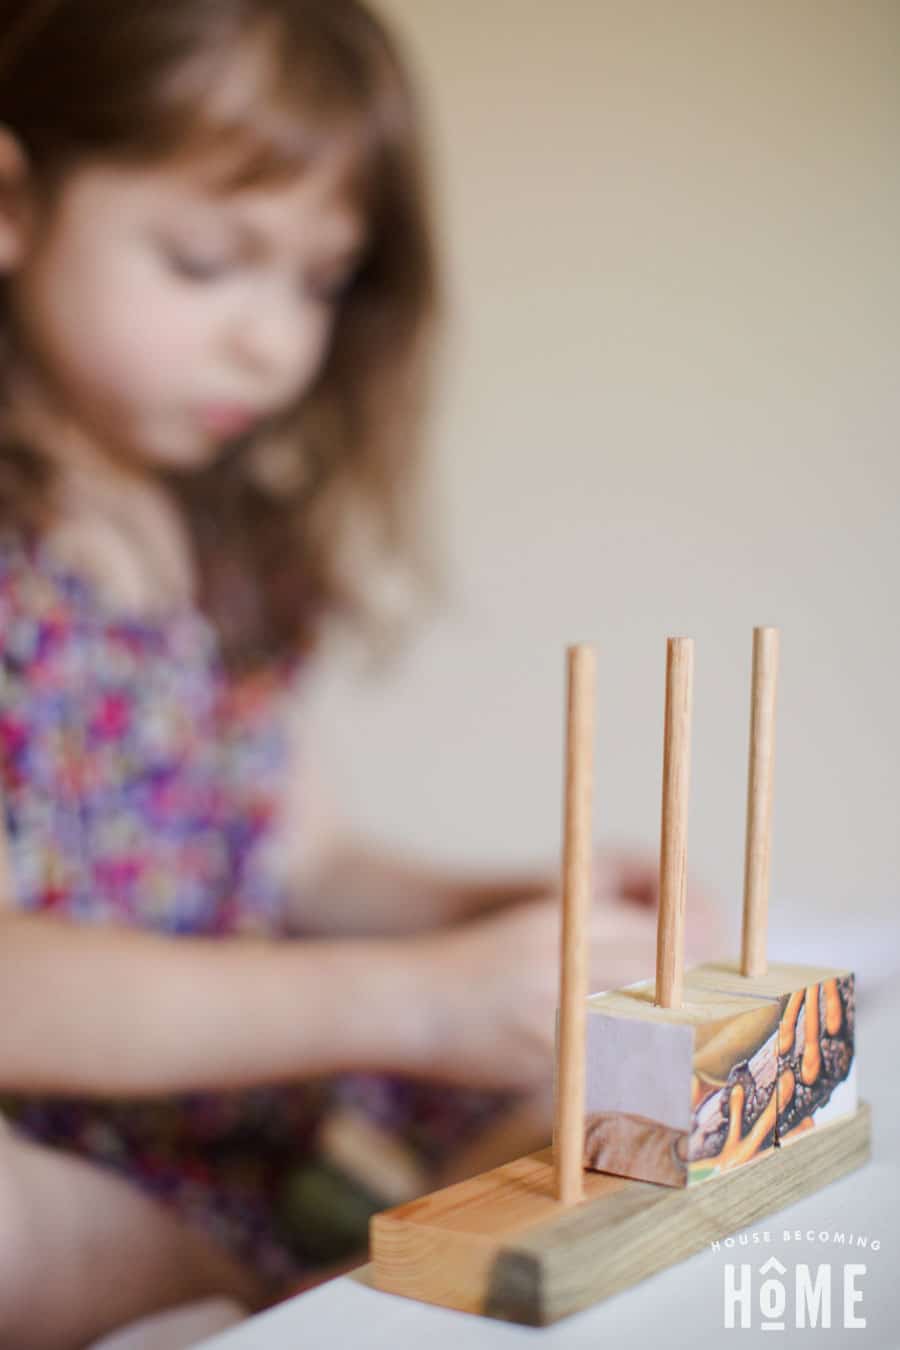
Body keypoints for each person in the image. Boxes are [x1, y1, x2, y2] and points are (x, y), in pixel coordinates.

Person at [0, 2, 719, 1345]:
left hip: (278, 1125)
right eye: (212, 259)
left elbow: (305, 855)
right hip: (65, 1154)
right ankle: (230, 1284)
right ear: (9, 201)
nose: (274, 340)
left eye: (318, 282)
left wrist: (504, 915)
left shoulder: (224, 545)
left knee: (636, 1102)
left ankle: (334, 1260)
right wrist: (417, 998)